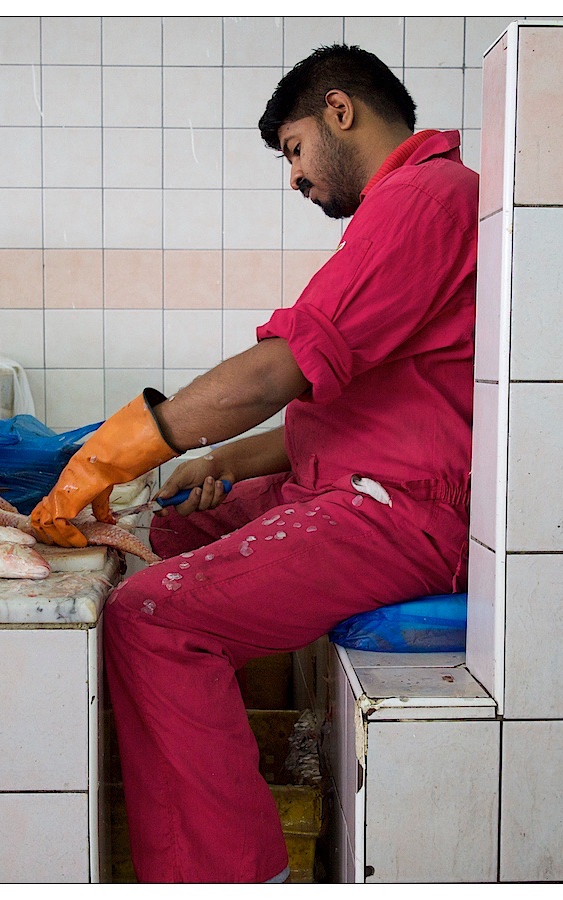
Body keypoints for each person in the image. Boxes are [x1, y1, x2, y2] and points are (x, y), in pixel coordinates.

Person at [31, 44, 479, 883]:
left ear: (340, 110)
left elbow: (279, 372)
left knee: (152, 617)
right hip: (352, 482)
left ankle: (235, 872)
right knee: (164, 529)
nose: (295, 176)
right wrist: (225, 462)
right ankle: (201, 762)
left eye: (295, 150)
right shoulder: (406, 206)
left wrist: (117, 450)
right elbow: (341, 407)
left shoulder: (427, 199)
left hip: (402, 511)